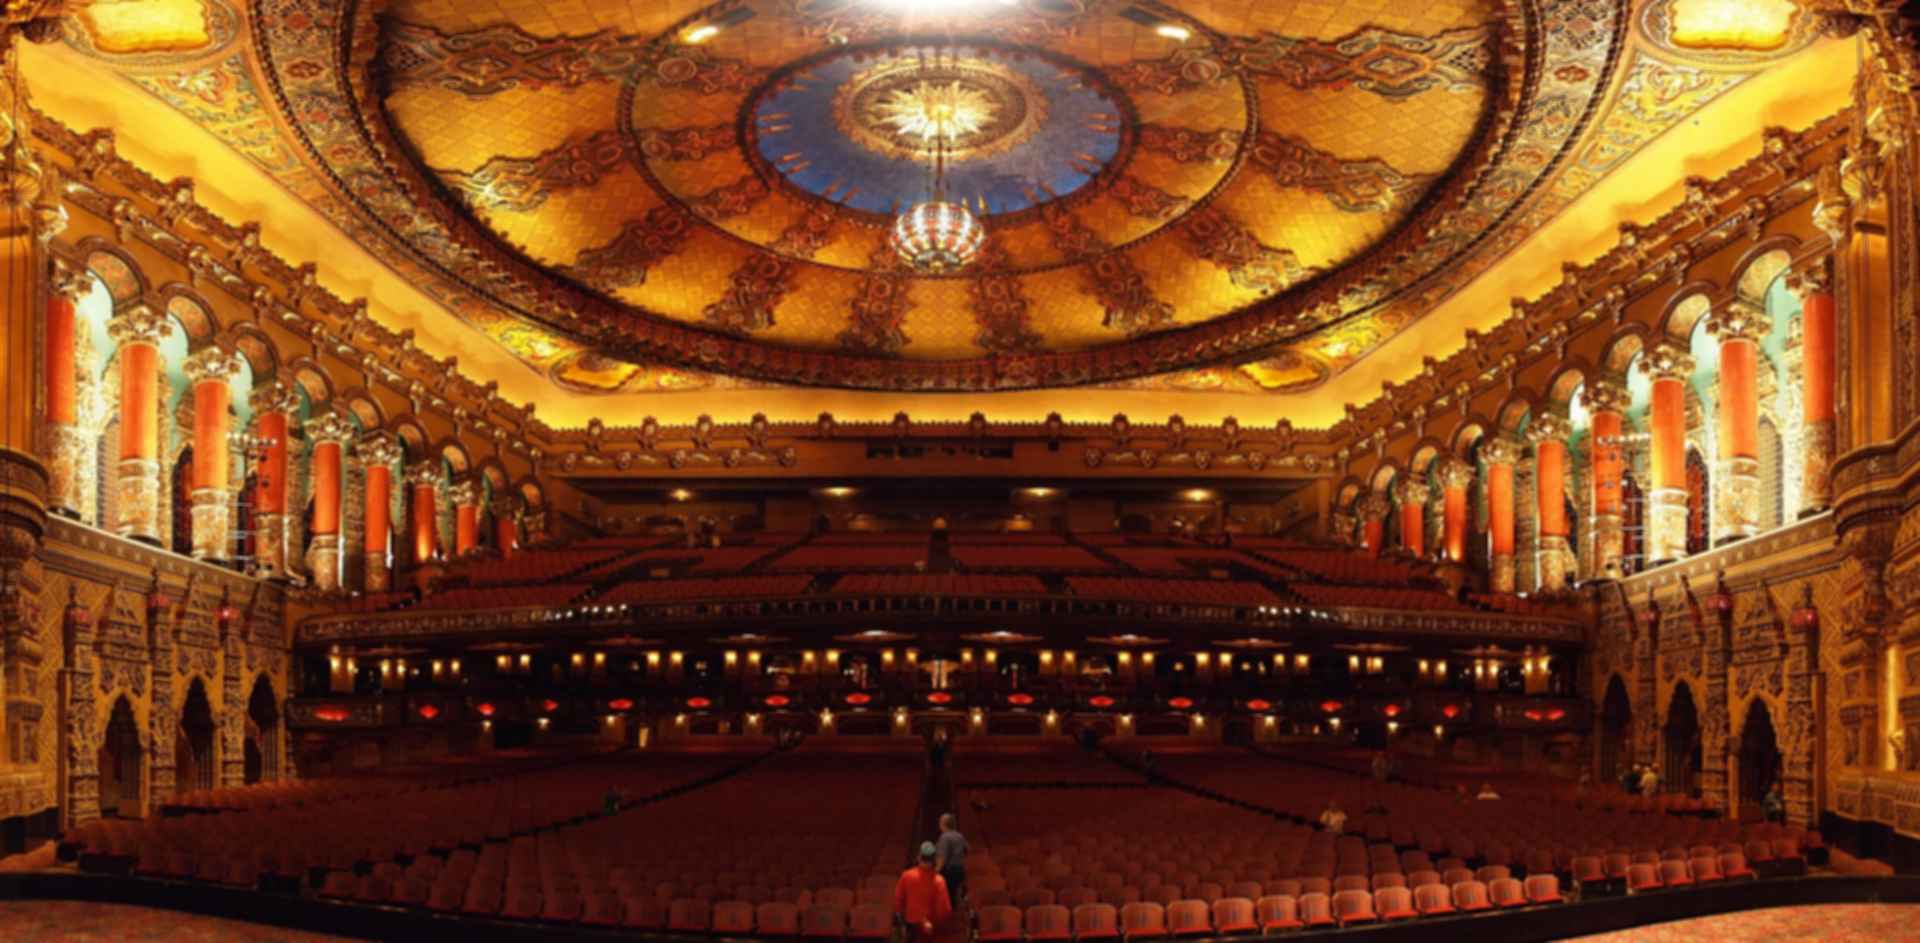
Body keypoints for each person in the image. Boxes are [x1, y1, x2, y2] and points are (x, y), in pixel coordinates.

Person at [894, 841, 953, 943]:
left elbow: (898, 900)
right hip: (931, 927)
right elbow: (944, 909)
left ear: (919, 857)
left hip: (911, 925)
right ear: (934, 860)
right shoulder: (939, 880)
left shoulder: (907, 875)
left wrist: (902, 920)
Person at [935, 813, 969, 910]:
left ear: (944, 824)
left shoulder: (944, 837)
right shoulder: (960, 836)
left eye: (940, 822)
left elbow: (942, 858)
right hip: (959, 870)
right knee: (954, 896)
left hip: (949, 872)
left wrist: (936, 871)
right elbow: (967, 849)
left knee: (948, 899)